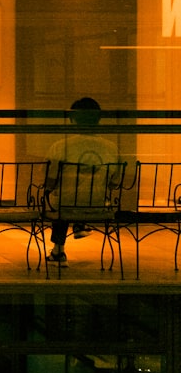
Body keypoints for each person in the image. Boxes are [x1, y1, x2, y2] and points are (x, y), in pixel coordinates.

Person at [44, 97, 121, 266]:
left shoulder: (60, 146)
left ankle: (58, 250)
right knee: (83, 195)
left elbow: (50, 180)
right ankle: (80, 223)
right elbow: (115, 182)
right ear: (99, 119)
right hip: (97, 203)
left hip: (66, 203)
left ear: (72, 119)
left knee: (61, 200)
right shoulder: (111, 147)